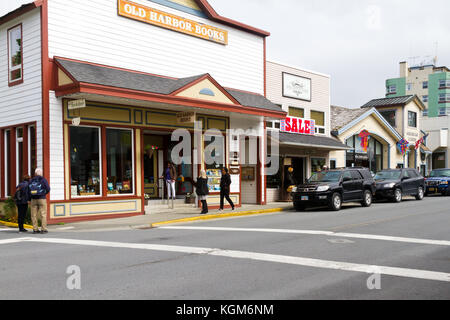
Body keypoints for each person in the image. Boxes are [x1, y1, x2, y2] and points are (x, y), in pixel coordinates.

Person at [28, 168, 51, 234]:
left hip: (33, 199)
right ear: (41, 173)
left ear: (35, 173)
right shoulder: (43, 180)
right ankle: (43, 229)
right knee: (43, 214)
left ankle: (35, 229)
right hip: (42, 198)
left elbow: (28, 190)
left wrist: (30, 198)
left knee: (33, 215)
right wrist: (43, 193)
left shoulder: (31, 180)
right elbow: (48, 188)